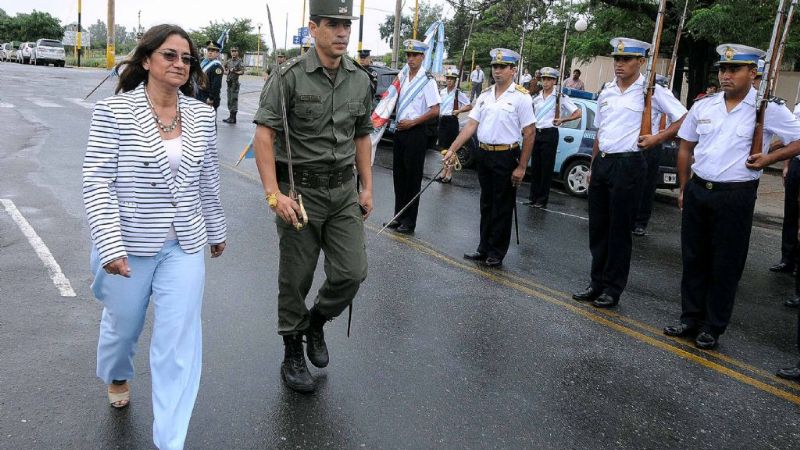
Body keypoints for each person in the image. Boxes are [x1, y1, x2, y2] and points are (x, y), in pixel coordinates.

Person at [83, 24, 227, 449]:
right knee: (122, 327)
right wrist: (109, 243)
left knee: (177, 341)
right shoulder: (114, 112)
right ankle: (117, 372)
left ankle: (170, 440)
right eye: (169, 55)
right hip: (128, 244)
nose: (180, 64)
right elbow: (97, 181)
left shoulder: (201, 115)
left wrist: (216, 230)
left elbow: (208, 178)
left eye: (186, 58)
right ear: (147, 59)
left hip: (184, 245)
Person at [251, 0, 374, 394]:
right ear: (313, 28)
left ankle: (315, 323)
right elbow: (263, 136)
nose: (342, 32)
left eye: (346, 26)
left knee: (352, 272)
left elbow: (362, 135)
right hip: (299, 193)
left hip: (343, 191)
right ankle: (291, 349)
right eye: (333, 24)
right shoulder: (288, 76)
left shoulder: (359, 78)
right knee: (296, 277)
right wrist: (274, 195)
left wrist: (367, 186)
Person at [663, 44, 800, 349]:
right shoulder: (705, 105)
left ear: (753, 73)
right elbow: (686, 145)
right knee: (694, 258)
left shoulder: (767, 108)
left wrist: (768, 159)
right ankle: (690, 317)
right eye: (722, 69)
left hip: (735, 195)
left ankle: (713, 326)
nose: (725, 75)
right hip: (700, 189)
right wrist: (685, 187)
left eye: (734, 69)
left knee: (725, 263)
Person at [572, 37, 686, 309]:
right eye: (617, 59)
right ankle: (596, 282)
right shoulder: (608, 91)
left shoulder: (652, 90)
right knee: (598, 227)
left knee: (619, 229)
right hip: (604, 163)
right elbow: (601, 130)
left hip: (630, 163)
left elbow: (683, 118)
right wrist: (593, 164)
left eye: (626, 59)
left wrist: (658, 138)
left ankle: (613, 288)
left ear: (642, 62)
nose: (619, 64)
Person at [443, 48, 536, 268]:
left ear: (513, 70)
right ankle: (483, 247)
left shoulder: (521, 97)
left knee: (502, 205)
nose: (497, 71)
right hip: (484, 154)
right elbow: (471, 125)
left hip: (506, 155)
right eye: (494, 66)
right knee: (486, 203)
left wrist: (522, 167)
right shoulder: (484, 96)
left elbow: (530, 132)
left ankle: (496, 252)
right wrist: (452, 149)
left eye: (503, 67)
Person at [384, 39, 441, 234]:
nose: (410, 59)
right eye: (408, 55)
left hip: (416, 132)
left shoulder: (427, 80)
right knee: (399, 176)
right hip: (400, 131)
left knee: (412, 178)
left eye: (414, 55)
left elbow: (435, 110)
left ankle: (409, 221)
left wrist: (413, 122)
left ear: (422, 56)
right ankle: (398, 216)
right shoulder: (403, 76)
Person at [632, 73, 682, 236]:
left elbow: (681, 118)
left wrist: (660, 136)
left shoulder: (661, 96)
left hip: (652, 145)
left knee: (647, 186)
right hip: (631, 145)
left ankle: (640, 222)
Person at [526, 66, 581, 208]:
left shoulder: (560, 97)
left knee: (546, 168)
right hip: (536, 133)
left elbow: (577, 113)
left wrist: (563, 120)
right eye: (544, 79)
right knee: (535, 167)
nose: (545, 82)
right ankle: (533, 197)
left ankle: (542, 200)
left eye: (549, 79)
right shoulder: (537, 97)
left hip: (550, 133)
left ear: (554, 81)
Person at [435, 67, 472, 184]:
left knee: (452, 148)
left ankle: (449, 174)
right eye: (448, 78)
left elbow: (469, 105)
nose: (449, 81)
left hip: (452, 120)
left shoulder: (458, 93)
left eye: (452, 79)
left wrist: (458, 111)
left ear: (455, 80)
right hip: (443, 120)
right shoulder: (442, 92)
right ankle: (443, 171)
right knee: (443, 148)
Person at [197, 42, 223, 111]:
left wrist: (211, 98)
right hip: (201, 95)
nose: (210, 53)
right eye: (209, 50)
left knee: (209, 120)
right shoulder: (205, 63)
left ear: (218, 54)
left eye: (213, 51)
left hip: (208, 98)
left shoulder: (217, 67)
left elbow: (216, 85)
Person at [222, 46, 245, 124]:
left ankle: (233, 118)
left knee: (233, 100)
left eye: (235, 51)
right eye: (232, 51)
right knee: (229, 100)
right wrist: (227, 71)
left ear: (237, 52)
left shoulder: (239, 61)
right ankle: (230, 117)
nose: (234, 53)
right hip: (229, 83)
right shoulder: (229, 61)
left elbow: (242, 72)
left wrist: (235, 71)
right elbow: (224, 67)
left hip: (235, 84)